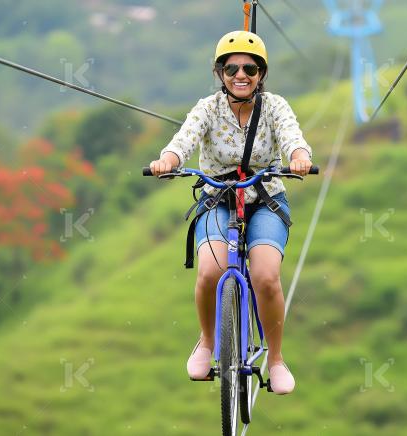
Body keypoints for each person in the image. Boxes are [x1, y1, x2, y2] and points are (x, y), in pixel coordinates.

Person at [148, 30, 313, 395]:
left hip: (265, 198)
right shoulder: (207, 108)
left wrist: (300, 158)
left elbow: (292, 136)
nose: (241, 75)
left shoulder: (274, 107)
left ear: (261, 74)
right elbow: (184, 140)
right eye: (231, 68)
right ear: (220, 73)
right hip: (218, 199)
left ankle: (277, 360)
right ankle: (207, 343)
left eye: (250, 69)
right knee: (210, 270)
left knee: (266, 276)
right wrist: (168, 161)